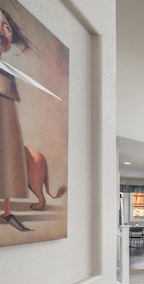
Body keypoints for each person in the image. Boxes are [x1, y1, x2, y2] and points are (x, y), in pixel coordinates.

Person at [0, 7, 60, 232]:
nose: (2, 31)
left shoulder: (6, 74)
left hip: (6, 117)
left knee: (8, 158)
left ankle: (7, 210)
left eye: (6, 26)